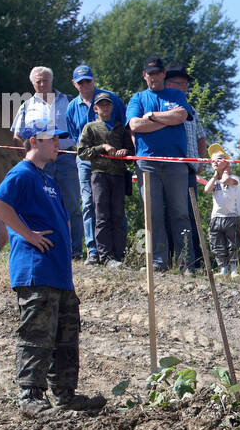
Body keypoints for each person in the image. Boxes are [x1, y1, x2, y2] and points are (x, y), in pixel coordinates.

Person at [0, 129, 104, 416]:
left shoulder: (48, 179)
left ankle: (65, 394)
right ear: (33, 143)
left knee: (66, 334)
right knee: (37, 332)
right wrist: (27, 234)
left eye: (58, 140)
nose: (57, 145)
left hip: (59, 273)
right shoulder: (22, 173)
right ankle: (30, 396)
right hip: (36, 269)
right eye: (51, 140)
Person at [126, 57, 194, 273]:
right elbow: (135, 124)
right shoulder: (138, 98)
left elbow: (182, 115)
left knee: (180, 212)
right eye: (150, 73)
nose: (154, 77)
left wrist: (153, 117)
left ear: (163, 74)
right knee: (152, 214)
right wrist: (166, 120)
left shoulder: (176, 95)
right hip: (147, 163)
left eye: (157, 73)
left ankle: (186, 263)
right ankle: (158, 261)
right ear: (145, 75)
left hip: (175, 162)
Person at [10, 67, 82, 259]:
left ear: (52, 80)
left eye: (45, 80)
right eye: (38, 81)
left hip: (67, 158)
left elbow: (79, 129)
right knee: (44, 204)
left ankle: (75, 250)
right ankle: (51, 246)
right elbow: (17, 136)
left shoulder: (68, 100)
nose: (42, 84)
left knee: (72, 204)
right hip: (41, 162)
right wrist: (27, 159)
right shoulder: (26, 106)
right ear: (32, 83)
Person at [66, 65, 126, 265]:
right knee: (89, 204)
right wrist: (96, 150)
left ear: (94, 80)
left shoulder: (112, 99)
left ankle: (118, 252)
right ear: (75, 84)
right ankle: (93, 251)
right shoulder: (72, 106)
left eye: (88, 81)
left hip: (113, 165)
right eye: (81, 82)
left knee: (115, 208)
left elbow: (123, 127)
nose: (85, 85)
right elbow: (76, 136)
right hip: (86, 161)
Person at [75, 95, 133, 268]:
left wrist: (125, 152)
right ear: (95, 109)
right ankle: (104, 255)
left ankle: (119, 255)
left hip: (118, 175)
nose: (105, 108)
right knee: (101, 216)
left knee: (118, 215)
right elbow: (82, 152)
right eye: (101, 105)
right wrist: (103, 147)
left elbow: (131, 152)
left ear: (112, 107)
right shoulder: (90, 128)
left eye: (108, 105)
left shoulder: (120, 128)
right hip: (99, 175)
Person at [163, 66, 208, 273]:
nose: (184, 88)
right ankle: (170, 260)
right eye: (179, 83)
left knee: (190, 215)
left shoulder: (191, 109)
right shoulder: (163, 106)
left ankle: (195, 261)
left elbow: (200, 137)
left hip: (189, 169)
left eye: (185, 84)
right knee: (167, 215)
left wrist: (200, 161)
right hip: (166, 168)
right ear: (168, 84)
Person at [203, 144, 240, 277]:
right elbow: (207, 189)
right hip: (216, 217)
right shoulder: (214, 182)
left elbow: (226, 180)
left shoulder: (235, 179)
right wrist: (215, 176)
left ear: (226, 162)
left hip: (231, 216)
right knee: (217, 244)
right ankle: (223, 269)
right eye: (213, 160)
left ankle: (234, 269)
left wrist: (225, 170)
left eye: (219, 159)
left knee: (233, 244)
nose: (215, 162)